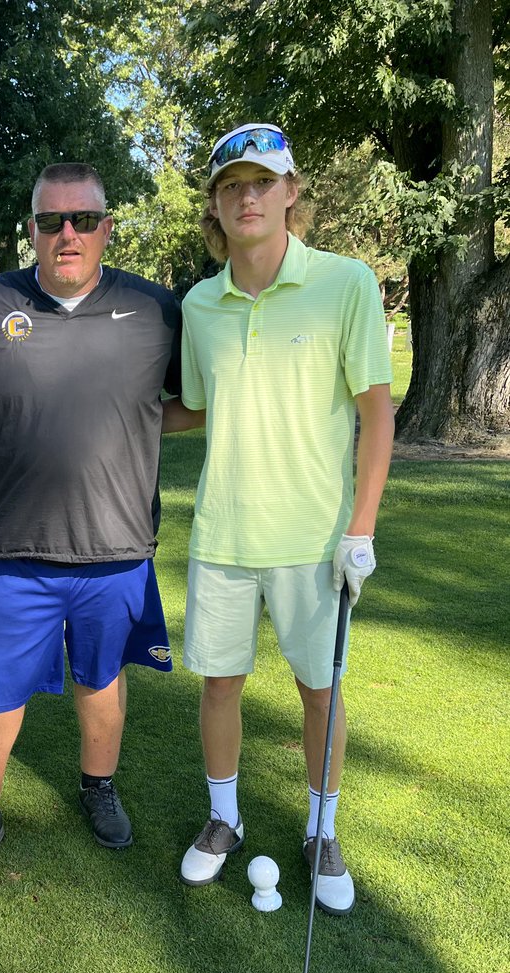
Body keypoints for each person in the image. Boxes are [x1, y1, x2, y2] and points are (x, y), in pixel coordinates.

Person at [163, 124, 394, 913]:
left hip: (315, 539)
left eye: (263, 182)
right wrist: (86, 413)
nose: (248, 196)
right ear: (217, 207)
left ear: (291, 192)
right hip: (224, 534)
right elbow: (192, 409)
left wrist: (360, 527)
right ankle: (223, 820)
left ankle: (321, 830)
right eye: (233, 186)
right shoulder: (200, 302)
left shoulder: (347, 282)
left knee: (320, 692)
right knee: (220, 684)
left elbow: (376, 414)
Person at [0, 162, 181, 885]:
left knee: (101, 678)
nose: (67, 234)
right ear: (33, 229)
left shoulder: (155, 310)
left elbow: (191, 402)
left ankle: (97, 786)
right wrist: (11, 429)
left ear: (107, 227)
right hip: (15, 548)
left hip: (117, 546)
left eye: (82, 220)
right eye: (51, 221)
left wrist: (132, 423)